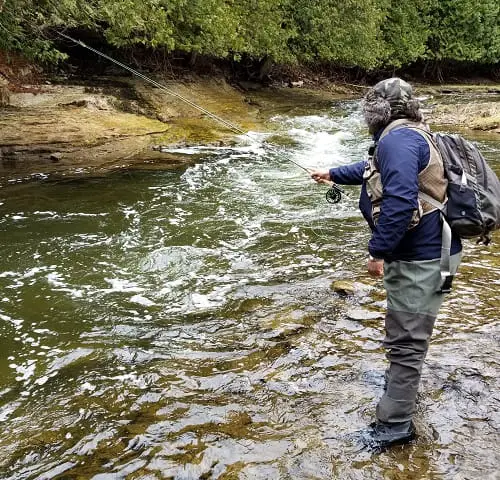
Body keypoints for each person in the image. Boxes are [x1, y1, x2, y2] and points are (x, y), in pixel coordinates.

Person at [310, 77, 462, 450]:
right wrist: (333, 174)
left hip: (422, 260)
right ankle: (402, 387)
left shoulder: (397, 140)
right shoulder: (410, 135)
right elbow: (372, 169)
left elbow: (400, 202)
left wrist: (377, 251)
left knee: (406, 341)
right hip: (440, 254)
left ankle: (394, 428)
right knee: (411, 333)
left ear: (373, 111)